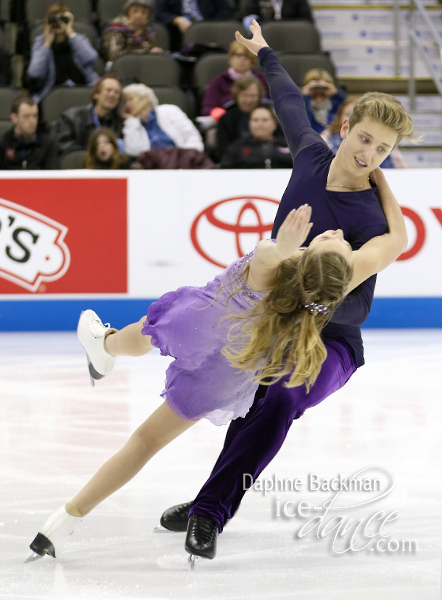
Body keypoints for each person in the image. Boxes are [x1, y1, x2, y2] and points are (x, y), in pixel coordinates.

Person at [27, 189, 407, 561]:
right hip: (225, 373)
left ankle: (104, 346)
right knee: (144, 441)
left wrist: (284, 247)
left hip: (194, 324)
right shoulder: (330, 290)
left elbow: (265, 257)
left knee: (146, 332)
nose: (339, 232)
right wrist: (381, 183)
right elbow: (396, 241)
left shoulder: (274, 267)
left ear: (309, 257)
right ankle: (63, 522)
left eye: (331, 238)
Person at [155, 20, 416, 560]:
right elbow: (291, 102)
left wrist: (379, 198)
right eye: (365, 138)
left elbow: (345, 275)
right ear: (346, 126)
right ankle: (211, 497)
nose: (369, 154)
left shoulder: (371, 220)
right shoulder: (309, 157)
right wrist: (266, 53)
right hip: (273, 320)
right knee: (246, 399)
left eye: (384, 150)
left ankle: (208, 510)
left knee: (281, 395)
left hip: (332, 338)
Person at [27, 2, 99, 103]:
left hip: (83, 87)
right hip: (53, 93)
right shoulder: (41, 42)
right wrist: (47, 43)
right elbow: (34, 73)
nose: (58, 23)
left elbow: (91, 57)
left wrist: (70, 32)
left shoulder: (78, 39)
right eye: (53, 19)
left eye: (62, 19)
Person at [321, 96, 406, 169]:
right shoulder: (326, 137)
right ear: (340, 117)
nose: (353, 120)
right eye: (348, 114)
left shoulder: (385, 140)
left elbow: (400, 170)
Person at [121, 83, 204, 156]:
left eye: (130, 99)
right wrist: (131, 121)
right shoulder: (132, 124)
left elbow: (192, 136)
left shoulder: (170, 111)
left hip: (182, 164)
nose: (127, 104)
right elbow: (133, 152)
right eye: (126, 101)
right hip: (151, 169)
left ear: (146, 98)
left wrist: (186, 158)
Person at [56, 75, 124, 156]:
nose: (112, 94)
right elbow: (66, 150)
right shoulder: (71, 118)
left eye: (117, 92)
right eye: (108, 90)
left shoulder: (121, 123)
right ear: (96, 94)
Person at [200, 40, 269, 117]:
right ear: (231, 58)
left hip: (258, 120)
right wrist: (217, 113)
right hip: (226, 121)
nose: (242, 59)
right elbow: (207, 109)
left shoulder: (262, 80)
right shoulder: (218, 81)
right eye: (238, 55)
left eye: (246, 57)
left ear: (253, 61)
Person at [220, 104, 292, 169]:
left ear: (274, 123)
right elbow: (225, 170)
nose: (260, 124)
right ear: (249, 123)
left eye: (265, 120)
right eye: (255, 120)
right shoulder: (236, 147)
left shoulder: (290, 146)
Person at [215, 74, 268, 160]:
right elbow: (222, 149)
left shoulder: (269, 114)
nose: (249, 100)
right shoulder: (227, 118)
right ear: (237, 96)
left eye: (253, 96)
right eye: (245, 95)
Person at [0, 95, 58, 170]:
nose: (32, 121)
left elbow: (53, 176)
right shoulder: (3, 143)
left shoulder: (48, 144)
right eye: (26, 116)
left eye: (35, 116)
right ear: (15, 118)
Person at [102, 0, 163, 69]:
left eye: (144, 12)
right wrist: (147, 52)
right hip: (120, 66)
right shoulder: (116, 29)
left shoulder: (149, 31)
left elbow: (152, 49)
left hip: (144, 67)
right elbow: (115, 54)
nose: (139, 15)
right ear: (128, 12)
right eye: (135, 11)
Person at [154, 0, 234, 52]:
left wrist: (207, 26)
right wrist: (175, 19)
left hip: (209, 34)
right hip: (178, 36)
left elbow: (226, 13)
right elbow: (158, 13)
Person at [301, 68, 346, 133]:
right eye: (314, 88)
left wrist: (336, 93)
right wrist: (305, 97)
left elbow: (348, 106)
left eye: (323, 88)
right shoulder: (303, 106)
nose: (318, 92)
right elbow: (305, 125)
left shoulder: (335, 105)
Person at [241, 0, 314, 30]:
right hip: (264, 39)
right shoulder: (255, 1)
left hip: (292, 37)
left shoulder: (298, 1)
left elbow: (307, 23)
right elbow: (250, 20)